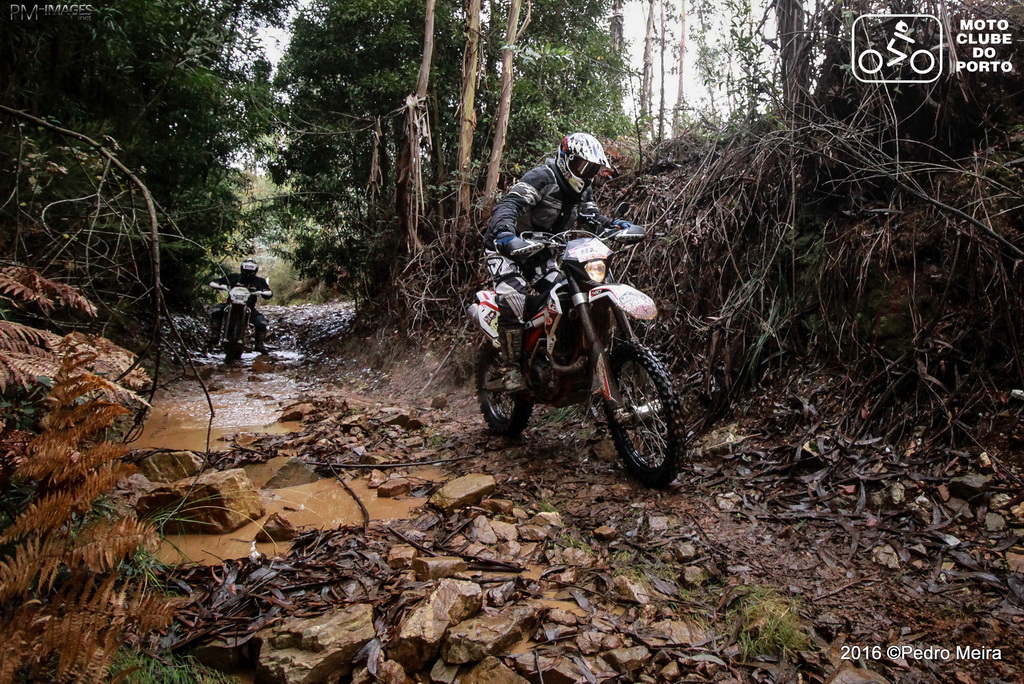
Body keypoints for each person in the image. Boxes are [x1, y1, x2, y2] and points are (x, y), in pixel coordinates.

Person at [482, 133, 642, 391]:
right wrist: (504, 234)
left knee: (564, 295)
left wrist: (614, 226)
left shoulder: (583, 188)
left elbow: (591, 217)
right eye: (582, 166)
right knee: (514, 298)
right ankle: (509, 369)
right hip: (506, 249)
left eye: (592, 168)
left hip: (540, 254)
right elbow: (510, 205)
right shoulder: (541, 178)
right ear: (565, 159)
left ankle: (556, 354)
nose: (587, 173)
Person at [208, 259, 273, 353]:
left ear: (255, 271)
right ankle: (215, 334)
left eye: (250, 271)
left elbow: (267, 292)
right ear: (242, 269)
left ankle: (259, 344)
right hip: (230, 304)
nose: (248, 274)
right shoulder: (233, 277)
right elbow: (216, 282)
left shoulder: (259, 281)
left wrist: (263, 292)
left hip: (249, 308)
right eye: (246, 271)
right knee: (216, 310)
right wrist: (220, 286)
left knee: (261, 322)